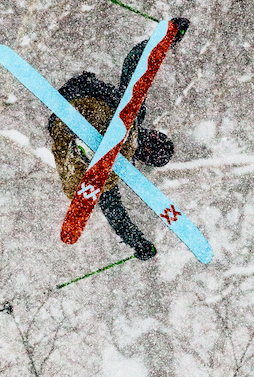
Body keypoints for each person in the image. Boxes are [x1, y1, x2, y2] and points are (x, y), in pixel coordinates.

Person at [47, 22, 185, 259]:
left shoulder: (117, 165)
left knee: (94, 183)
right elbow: (135, 64)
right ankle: (89, 146)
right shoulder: (133, 115)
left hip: (63, 130)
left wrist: (138, 243)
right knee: (128, 124)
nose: (147, 147)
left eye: (150, 153)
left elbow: (115, 213)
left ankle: (85, 151)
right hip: (86, 104)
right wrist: (166, 39)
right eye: (152, 144)